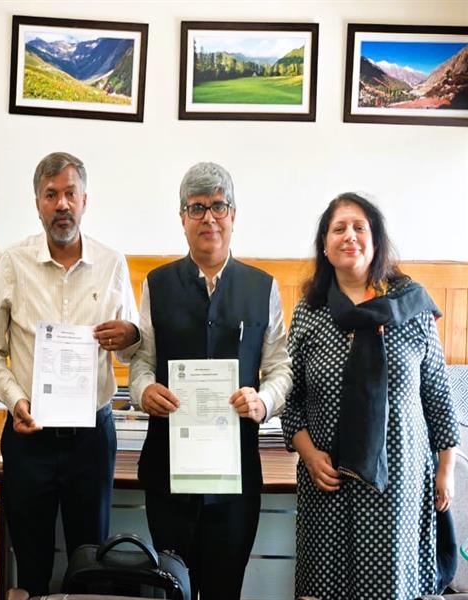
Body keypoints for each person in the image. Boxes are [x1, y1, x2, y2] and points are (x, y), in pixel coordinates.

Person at [0, 151, 140, 595]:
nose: (62, 204)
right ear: (38, 204)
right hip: (30, 436)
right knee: (31, 563)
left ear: (85, 200)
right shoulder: (11, 262)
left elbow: (133, 352)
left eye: (70, 193)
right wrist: (15, 400)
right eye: (51, 195)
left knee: (90, 561)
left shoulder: (112, 264)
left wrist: (130, 335)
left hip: (92, 439)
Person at [282, 192, 461, 599]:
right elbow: (291, 398)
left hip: (400, 480)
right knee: (327, 586)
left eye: (360, 227)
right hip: (329, 479)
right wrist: (308, 455)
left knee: (391, 586)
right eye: (339, 229)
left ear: (375, 240)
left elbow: (437, 393)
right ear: (325, 246)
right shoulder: (310, 312)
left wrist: (446, 468)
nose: (350, 236)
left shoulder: (411, 306)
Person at [129, 162, 292, 600]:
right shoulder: (158, 284)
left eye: (219, 206)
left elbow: (280, 366)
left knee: (225, 590)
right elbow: (142, 360)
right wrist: (144, 390)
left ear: (233, 214)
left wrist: (264, 400)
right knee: (173, 590)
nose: (209, 218)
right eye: (196, 207)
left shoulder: (262, 287)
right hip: (168, 473)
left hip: (235, 478)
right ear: (181, 217)